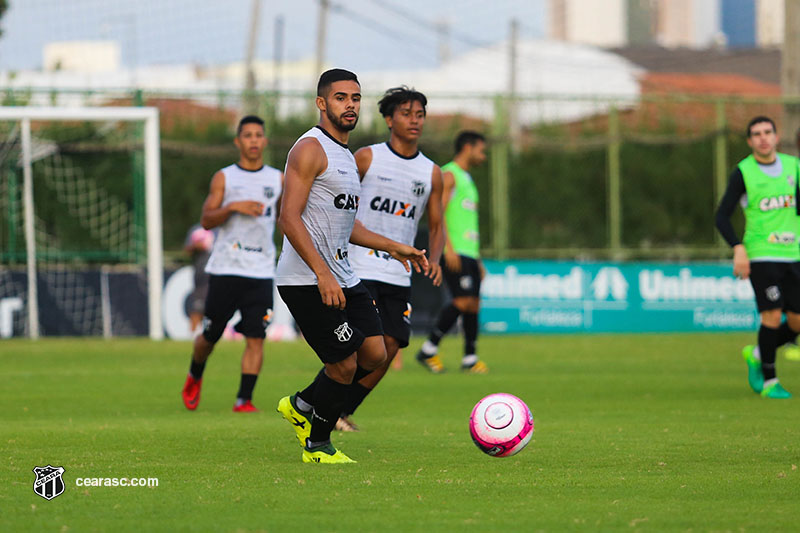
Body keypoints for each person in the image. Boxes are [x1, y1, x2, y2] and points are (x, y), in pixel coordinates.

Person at [274, 69, 428, 464]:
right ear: (322, 103)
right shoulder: (309, 149)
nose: (350, 105)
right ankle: (318, 445)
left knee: (376, 354)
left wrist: (394, 246)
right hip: (307, 279)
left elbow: (349, 223)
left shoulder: (344, 153)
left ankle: (303, 404)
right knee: (343, 364)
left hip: (343, 274)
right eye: (341, 98)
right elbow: (288, 217)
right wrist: (322, 274)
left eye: (356, 98)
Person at [334, 86, 444, 432]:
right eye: (407, 113)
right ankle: (326, 406)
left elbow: (437, 224)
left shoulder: (431, 172)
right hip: (359, 265)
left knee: (392, 344)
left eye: (420, 115)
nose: (414, 120)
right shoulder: (367, 158)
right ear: (388, 119)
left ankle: (339, 410)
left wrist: (436, 259)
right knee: (365, 345)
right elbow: (339, 205)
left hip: (398, 273)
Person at [181, 115, 283, 412]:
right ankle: (194, 374)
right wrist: (234, 207)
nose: (253, 140)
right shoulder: (225, 177)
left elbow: (287, 219)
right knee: (209, 335)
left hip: (261, 271)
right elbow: (206, 219)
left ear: (264, 141)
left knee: (256, 337)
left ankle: (244, 399)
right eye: (247, 135)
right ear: (238, 142)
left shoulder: (278, 179)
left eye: (258, 135)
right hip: (226, 269)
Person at [715, 115, 800, 399]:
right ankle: (770, 381)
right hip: (762, 255)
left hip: (794, 254)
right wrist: (739, 248)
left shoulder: (794, 167)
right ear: (750, 141)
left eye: (768, 132)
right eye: (756, 134)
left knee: (798, 322)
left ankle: (756, 353)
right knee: (772, 315)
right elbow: (721, 216)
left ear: (776, 137)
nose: (763, 137)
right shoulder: (744, 172)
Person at [415, 131, 489, 374]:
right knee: (462, 300)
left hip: (469, 252)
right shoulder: (450, 175)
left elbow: (467, 222)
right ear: (467, 147)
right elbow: (438, 213)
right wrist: (448, 248)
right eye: (481, 150)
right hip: (454, 250)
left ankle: (470, 358)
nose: (483, 155)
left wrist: (477, 259)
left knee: (473, 304)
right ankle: (428, 349)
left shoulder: (467, 178)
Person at [183, 224, 215, 334]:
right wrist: (197, 246)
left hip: (218, 274)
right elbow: (187, 249)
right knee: (198, 306)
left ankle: (211, 334)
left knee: (215, 307)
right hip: (201, 275)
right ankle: (192, 334)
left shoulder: (224, 228)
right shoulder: (196, 229)